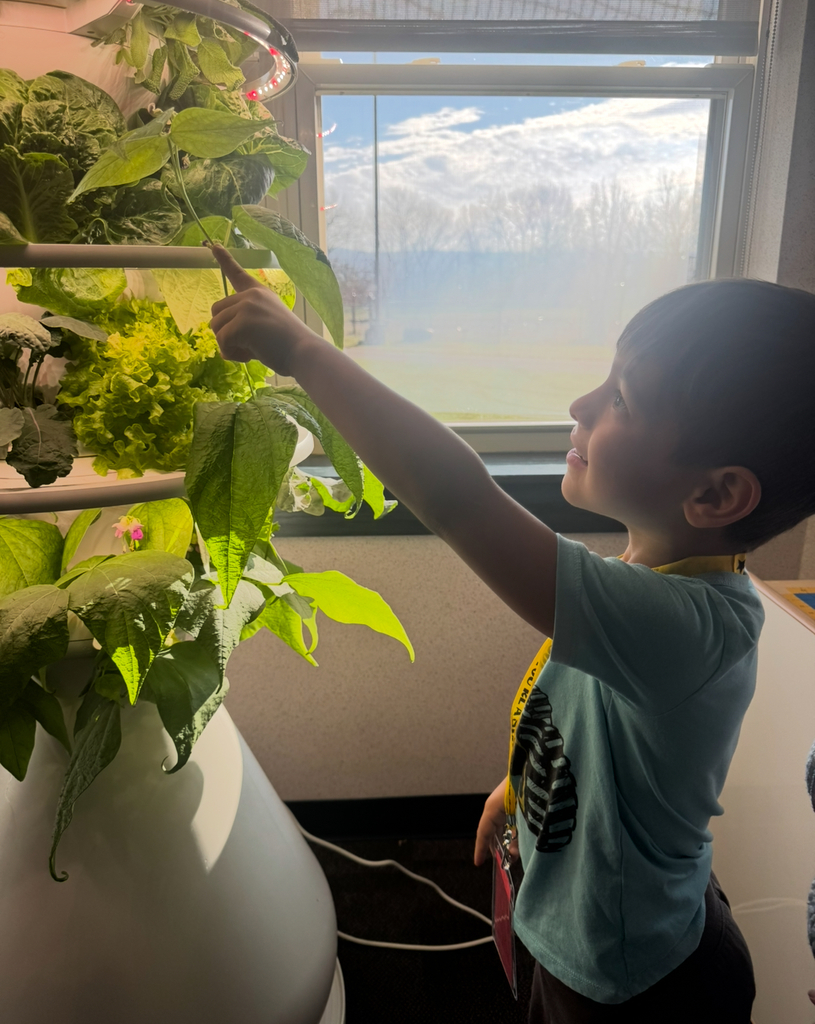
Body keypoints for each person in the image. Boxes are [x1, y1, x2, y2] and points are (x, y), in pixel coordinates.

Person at [208, 244, 815, 1023]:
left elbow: (457, 498)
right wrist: (521, 786)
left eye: (621, 399)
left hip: (629, 983)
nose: (579, 404)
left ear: (716, 492)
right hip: (600, 930)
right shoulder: (653, 574)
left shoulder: (684, 627)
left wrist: (303, 351)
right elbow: (597, 726)